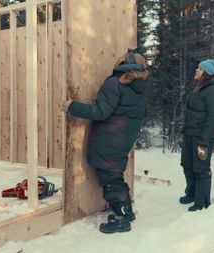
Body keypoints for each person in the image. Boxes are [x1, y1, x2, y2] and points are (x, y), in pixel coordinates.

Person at [61, 50, 149, 233]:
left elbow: (100, 112)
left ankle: (121, 219)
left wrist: (72, 107)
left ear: (125, 63)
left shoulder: (115, 84)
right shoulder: (139, 86)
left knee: (111, 181)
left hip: (110, 139)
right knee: (115, 176)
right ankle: (127, 211)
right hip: (123, 138)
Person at [179, 59, 214, 211]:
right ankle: (191, 194)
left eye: (199, 68)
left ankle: (201, 202)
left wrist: (204, 140)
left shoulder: (213, 91)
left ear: (206, 72)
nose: (196, 70)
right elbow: (190, 113)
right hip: (191, 134)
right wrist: (184, 131)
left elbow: (213, 117)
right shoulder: (198, 88)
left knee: (201, 168)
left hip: (203, 138)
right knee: (187, 165)